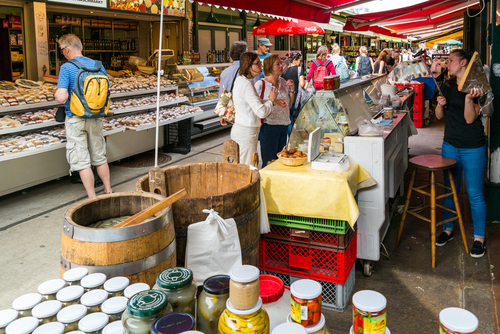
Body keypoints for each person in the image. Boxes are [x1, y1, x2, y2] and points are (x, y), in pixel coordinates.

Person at [435, 49, 487, 258]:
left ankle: (479, 238)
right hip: (450, 145)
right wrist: (439, 105)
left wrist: (468, 100)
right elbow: (440, 116)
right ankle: (448, 229)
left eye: (451, 60)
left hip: (473, 146)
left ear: (463, 62)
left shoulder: (476, 87)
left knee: (474, 193)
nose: (447, 64)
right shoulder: (447, 86)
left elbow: (469, 119)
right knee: (450, 189)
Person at [54, 34, 112, 198]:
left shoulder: (67, 67)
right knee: (100, 157)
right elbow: (107, 88)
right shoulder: (98, 65)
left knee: (82, 160)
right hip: (96, 117)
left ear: (66, 50)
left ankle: (92, 197)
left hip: (76, 119)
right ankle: (108, 190)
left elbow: (61, 97)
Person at [231, 52, 287, 165]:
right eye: (258, 63)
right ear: (248, 66)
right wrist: (271, 100)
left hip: (244, 130)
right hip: (246, 131)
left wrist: (274, 102)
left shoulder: (243, 80)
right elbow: (261, 112)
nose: (261, 66)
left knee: (247, 166)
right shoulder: (247, 84)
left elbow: (253, 103)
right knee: (247, 169)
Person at [255, 55, 293, 167]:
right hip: (269, 127)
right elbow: (256, 106)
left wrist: (292, 91)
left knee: (280, 162)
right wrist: (273, 101)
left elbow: (289, 105)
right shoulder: (260, 84)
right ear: (269, 67)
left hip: (284, 126)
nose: (281, 65)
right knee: (269, 162)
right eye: (277, 64)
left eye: (281, 63)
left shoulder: (283, 82)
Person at [218, 41, 247, 126]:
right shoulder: (249, 71)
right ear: (243, 54)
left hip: (231, 109)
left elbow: (222, 94)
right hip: (246, 111)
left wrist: (222, 114)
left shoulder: (224, 72)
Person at [282, 52, 305, 135]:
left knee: (289, 122)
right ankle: (296, 140)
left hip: (286, 100)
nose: (301, 63)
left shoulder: (284, 70)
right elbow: (302, 84)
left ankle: (290, 140)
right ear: (294, 60)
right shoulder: (299, 69)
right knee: (297, 123)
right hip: (296, 100)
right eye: (300, 60)